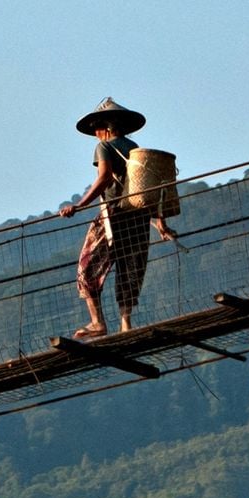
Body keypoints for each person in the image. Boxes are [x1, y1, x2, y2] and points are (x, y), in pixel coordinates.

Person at [59, 97, 177, 337]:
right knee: (129, 265)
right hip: (138, 216)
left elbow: (104, 178)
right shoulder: (134, 148)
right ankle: (126, 323)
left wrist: (79, 206)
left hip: (113, 214)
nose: (95, 134)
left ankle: (97, 322)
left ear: (106, 127)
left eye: (96, 128)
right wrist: (160, 222)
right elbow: (145, 189)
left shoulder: (105, 146)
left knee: (87, 266)